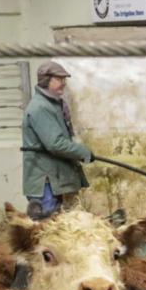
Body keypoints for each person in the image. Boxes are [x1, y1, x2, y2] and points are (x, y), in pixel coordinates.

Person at [22, 60, 93, 219]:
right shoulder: (40, 107)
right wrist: (83, 152)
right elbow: (56, 144)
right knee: (46, 229)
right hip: (44, 182)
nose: (63, 83)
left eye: (64, 80)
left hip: (52, 180)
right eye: (59, 79)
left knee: (53, 229)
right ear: (46, 80)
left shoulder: (52, 105)